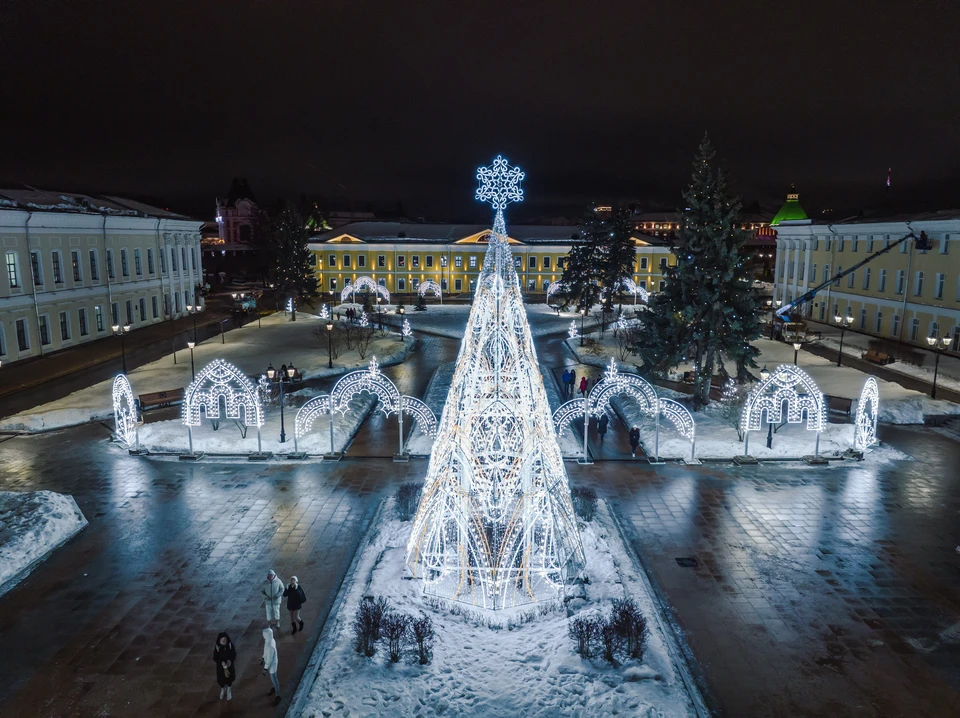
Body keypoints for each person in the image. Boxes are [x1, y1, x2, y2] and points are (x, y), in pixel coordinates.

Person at [213, 632, 236, 701]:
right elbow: (215, 657)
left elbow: (234, 654)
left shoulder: (230, 645)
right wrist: (221, 662)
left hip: (229, 666)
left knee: (230, 678)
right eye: (221, 640)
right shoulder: (217, 647)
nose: (223, 641)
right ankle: (222, 689)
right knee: (221, 679)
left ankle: (229, 690)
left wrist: (230, 661)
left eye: (224, 639)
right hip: (221, 668)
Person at [261, 627, 281, 706]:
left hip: (272, 665)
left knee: (274, 678)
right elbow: (265, 650)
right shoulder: (269, 641)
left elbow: (269, 660)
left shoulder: (270, 646)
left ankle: (278, 695)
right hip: (271, 664)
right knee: (273, 677)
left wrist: (265, 668)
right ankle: (274, 688)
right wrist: (263, 657)